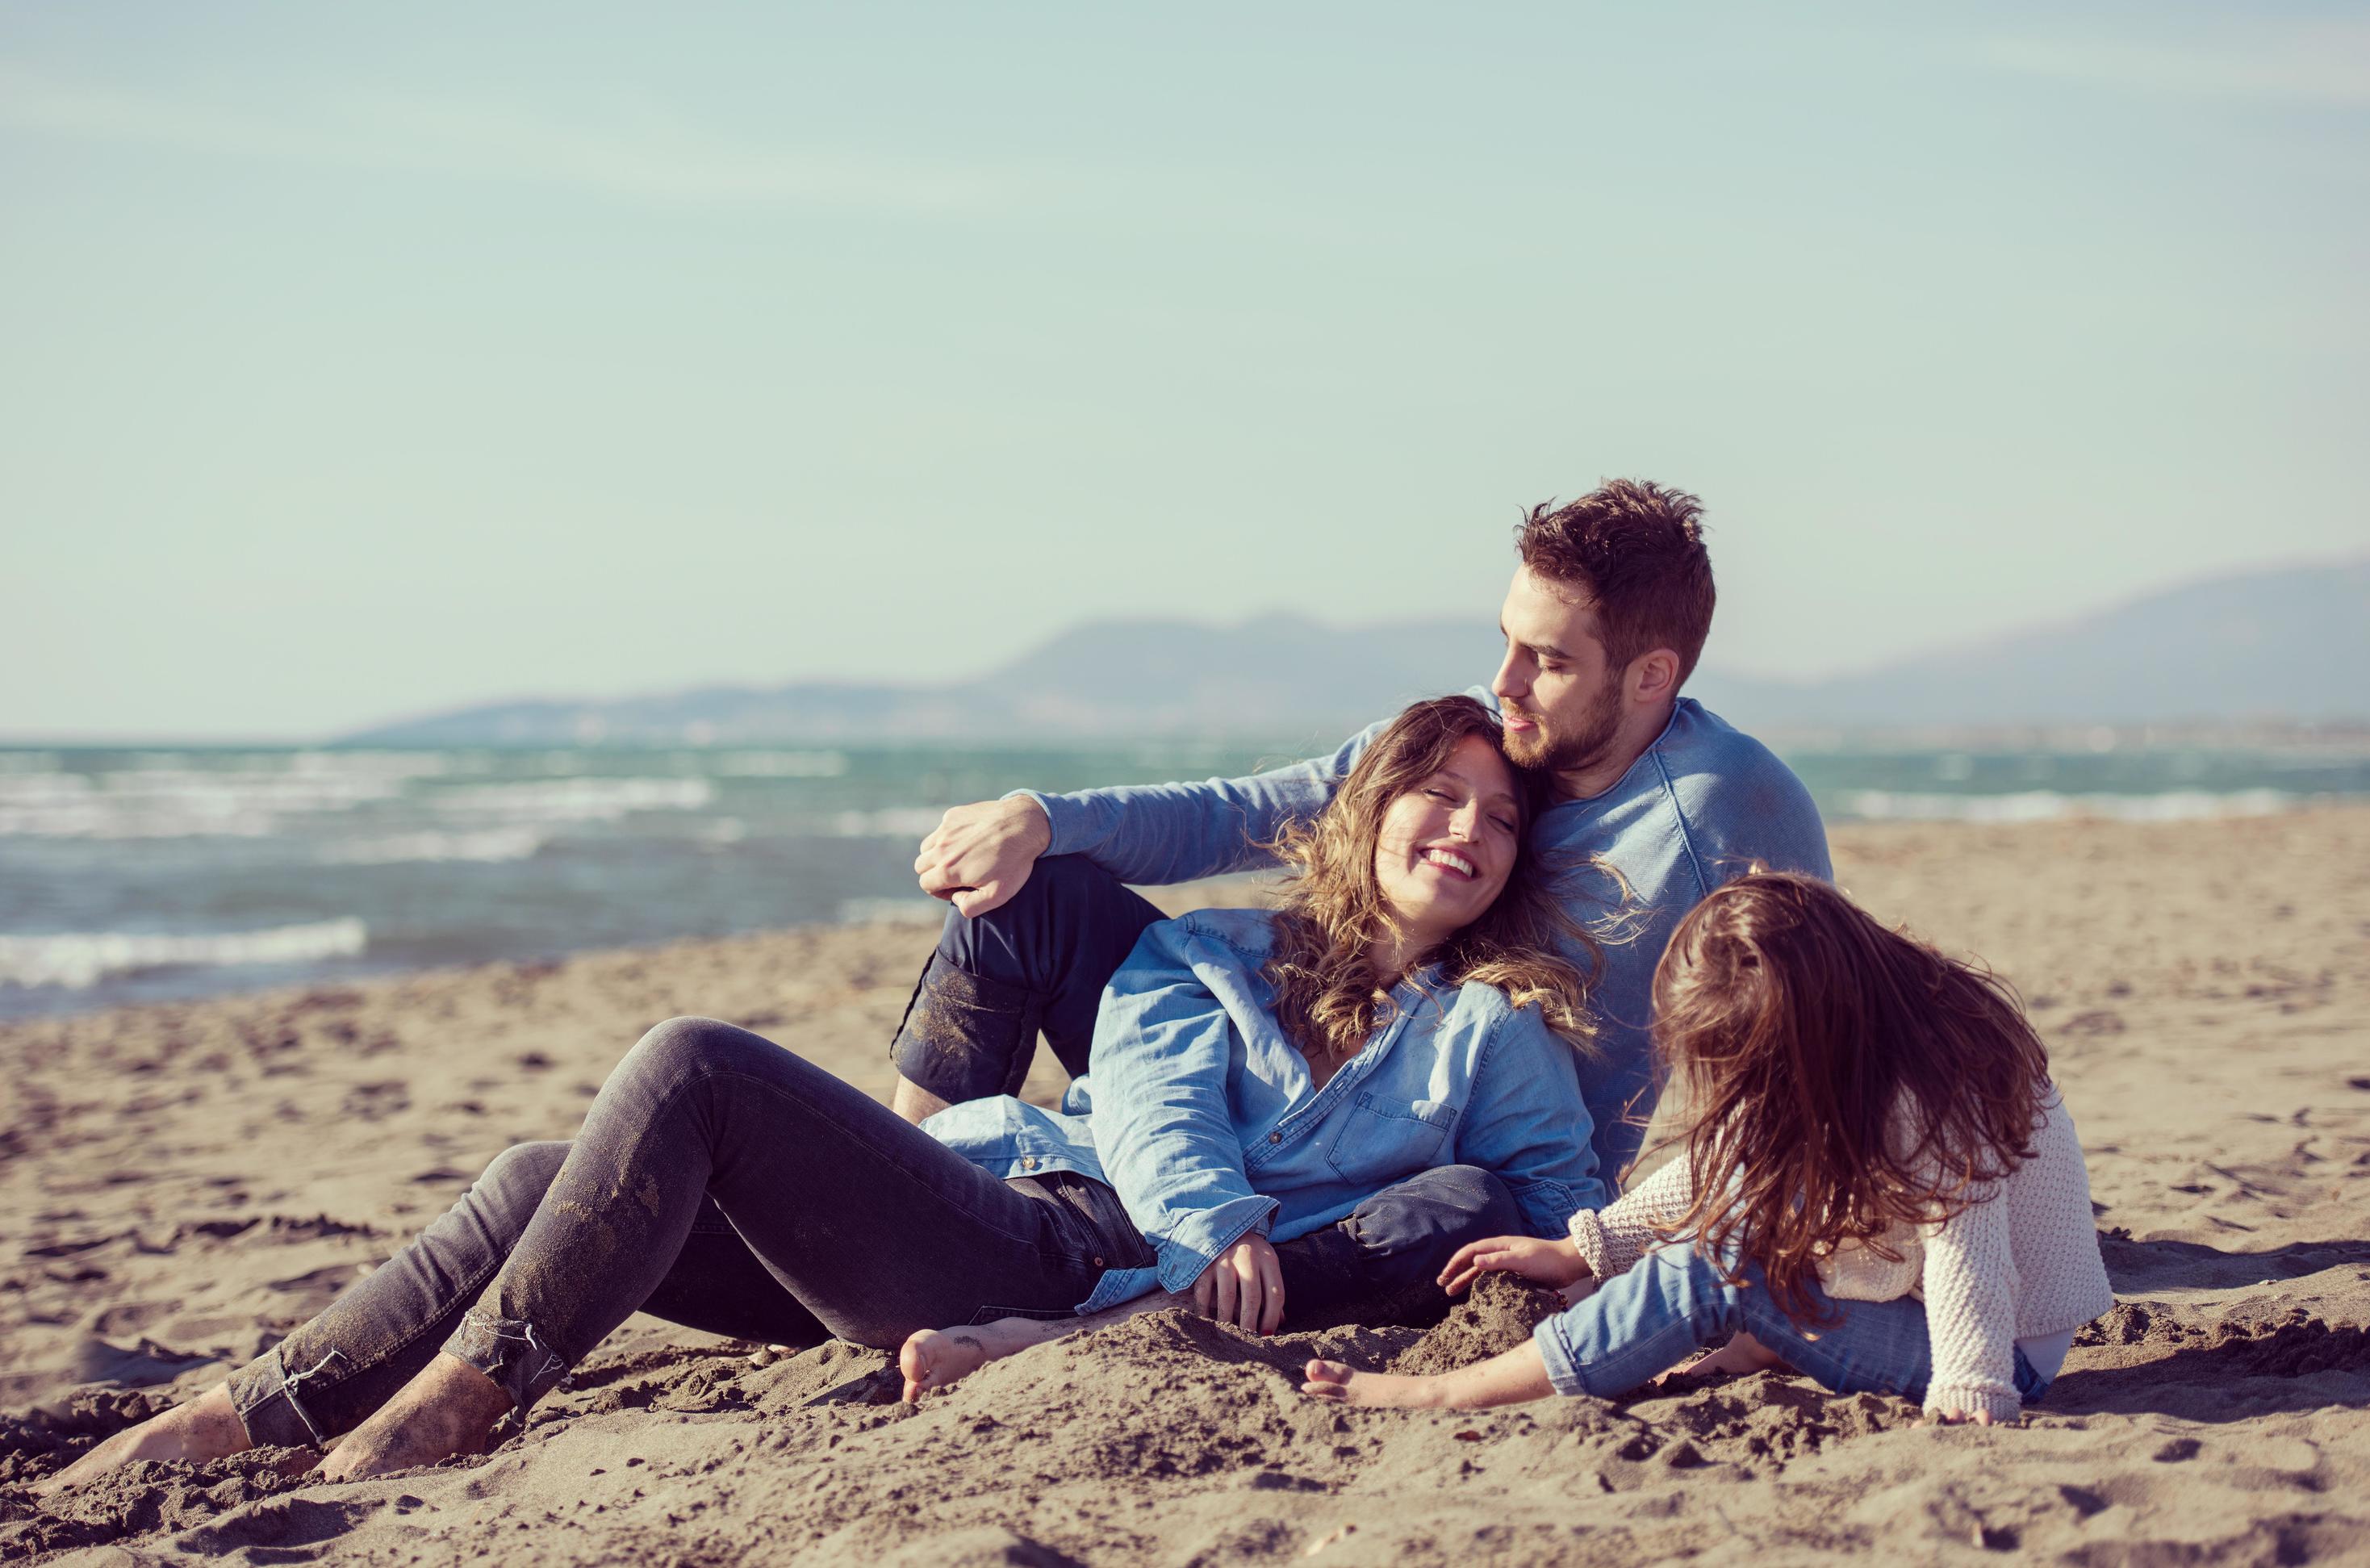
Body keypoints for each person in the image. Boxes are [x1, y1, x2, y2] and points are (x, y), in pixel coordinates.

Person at [42, 696, 1603, 1493]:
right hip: (1012, 1211)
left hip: (1068, 1264)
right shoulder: (1208, 951)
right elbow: (1145, 1100)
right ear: (1367, 808)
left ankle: (480, 1387)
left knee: (692, 1064)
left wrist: (1558, 1247)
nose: (1462, 829)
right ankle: (242, 1414)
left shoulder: (1491, 1035)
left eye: (1493, 816)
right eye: (1434, 793)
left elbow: (1540, 1203)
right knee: (539, 1175)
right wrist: (1211, 1223)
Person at [900, 479, 1832, 1205]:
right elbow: (1243, 813)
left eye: (1548, 662)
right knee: (1031, 895)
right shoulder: (1483, 736)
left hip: (1433, 1160)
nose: (1504, 681)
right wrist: (1044, 816)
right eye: (1506, 639)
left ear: (1650, 676)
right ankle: (902, 1184)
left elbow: (1815, 1049)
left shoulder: (1727, 808)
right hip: (1295, 1065)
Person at [1298, 873, 2116, 1427]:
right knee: (1728, 1223)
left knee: (1713, 1270)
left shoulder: (1934, 1083)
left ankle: (1443, 1393)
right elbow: (1727, 1160)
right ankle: (1761, 1337)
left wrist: (1972, 1388)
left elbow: (1965, 1251)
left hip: (1992, 1344)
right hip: (1906, 1292)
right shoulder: (1872, 1022)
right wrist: (1584, 1247)